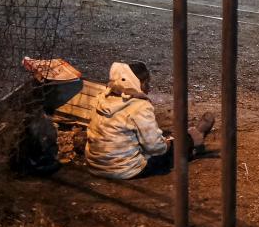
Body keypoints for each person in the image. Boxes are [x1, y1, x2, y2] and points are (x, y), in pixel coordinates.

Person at [86, 61, 214, 179]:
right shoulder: (139, 106)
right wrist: (168, 144)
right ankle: (194, 139)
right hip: (125, 170)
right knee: (171, 149)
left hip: (95, 165)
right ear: (135, 83)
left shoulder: (101, 98)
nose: (148, 88)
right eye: (146, 83)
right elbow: (156, 148)